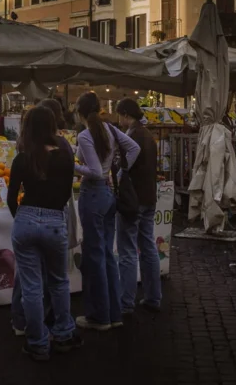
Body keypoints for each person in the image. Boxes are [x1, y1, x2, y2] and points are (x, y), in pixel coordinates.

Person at [7, 105, 82, 361]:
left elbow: (10, 199)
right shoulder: (64, 156)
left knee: (31, 286)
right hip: (54, 221)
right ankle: (63, 333)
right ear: (52, 127)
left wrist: (23, 219)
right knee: (59, 281)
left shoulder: (22, 158)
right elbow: (64, 195)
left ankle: (38, 342)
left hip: (25, 220)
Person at [74, 91, 140, 331]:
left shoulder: (85, 135)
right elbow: (133, 149)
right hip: (109, 196)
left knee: (94, 256)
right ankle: (114, 313)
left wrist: (71, 165)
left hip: (93, 195)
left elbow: (93, 170)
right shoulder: (110, 130)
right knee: (107, 254)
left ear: (80, 111)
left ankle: (99, 316)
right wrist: (119, 173)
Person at [113, 98, 162, 315]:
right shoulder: (149, 136)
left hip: (132, 200)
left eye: (119, 115)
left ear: (125, 114)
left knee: (128, 251)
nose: (118, 120)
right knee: (149, 247)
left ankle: (126, 302)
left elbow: (123, 167)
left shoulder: (131, 137)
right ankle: (153, 297)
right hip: (149, 197)